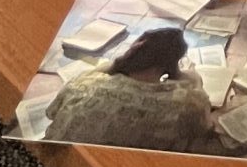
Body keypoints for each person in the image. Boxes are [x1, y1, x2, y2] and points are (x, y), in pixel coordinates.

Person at [40, 26, 216, 152]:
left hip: (47, 159)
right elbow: (205, 127)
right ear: (171, 64)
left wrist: (115, 64)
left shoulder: (83, 83)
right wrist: (195, 81)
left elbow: (52, 113)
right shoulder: (184, 103)